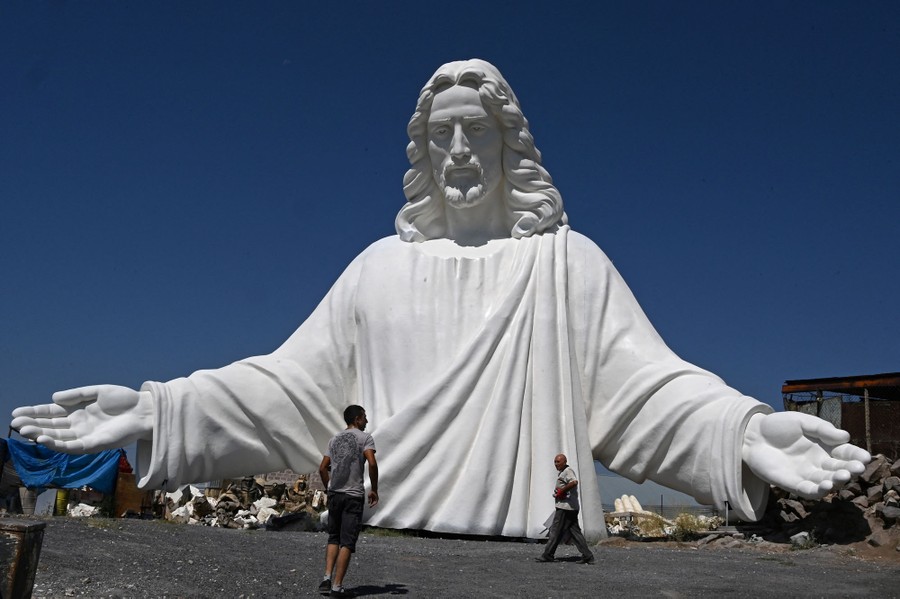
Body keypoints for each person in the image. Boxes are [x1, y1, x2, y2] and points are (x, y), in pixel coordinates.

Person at [11, 59, 869, 542]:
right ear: (422, 150)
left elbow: (643, 392)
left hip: (535, 541)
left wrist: (746, 431)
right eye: (439, 133)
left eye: (478, 131)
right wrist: (156, 409)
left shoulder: (566, 264)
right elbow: (286, 392)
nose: (458, 150)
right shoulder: (378, 269)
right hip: (390, 544)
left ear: (509, 144)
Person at [317, 405, 378, 598]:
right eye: (365, 418)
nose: (367, 421)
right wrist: (374, 489)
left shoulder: (334, 439)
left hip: (335, 494)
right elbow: (372, 462)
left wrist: (329, 487)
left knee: (333, 537)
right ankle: (337, 586)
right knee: (348, 541)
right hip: (353, 495)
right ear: (358, 419)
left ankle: (326, 579)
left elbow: (322, 468)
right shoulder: (365, 438)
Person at [537, 454, 594, 564]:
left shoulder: (568, 471)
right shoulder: (563, 472)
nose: (556, 464)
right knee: (575, 532)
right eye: (555, 462)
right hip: (570, 507)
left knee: (555, 531)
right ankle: (588, 556)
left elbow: (574, 482)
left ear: (564, 461)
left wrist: (562, 491)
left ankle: (548, 555)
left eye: (558, 462)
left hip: (565, 508)